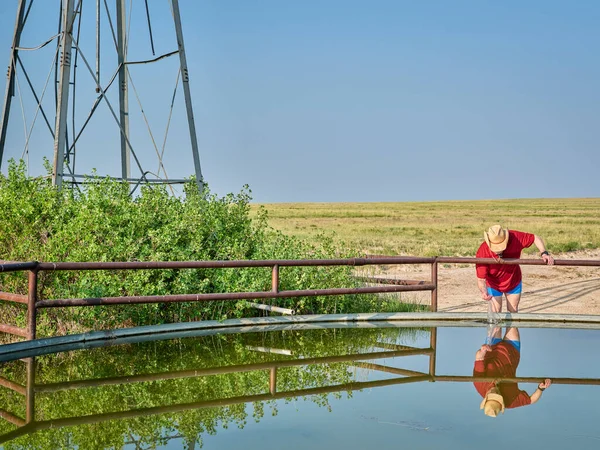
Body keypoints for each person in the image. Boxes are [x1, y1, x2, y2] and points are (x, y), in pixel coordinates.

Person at [474, 326, 552, 417]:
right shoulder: (511, 401)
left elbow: (479, 358)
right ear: (502, 401)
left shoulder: (479, 384)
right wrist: (541, 388)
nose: (495, 393)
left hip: (492, 347)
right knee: (512, 318)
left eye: (492, 395)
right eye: (498, 396)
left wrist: (483, 350)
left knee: (495, 316)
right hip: (511, 351)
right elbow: (531, 400)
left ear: (486, 398)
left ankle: (495, 318)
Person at [476, 225, 555, 313]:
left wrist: (544, 253)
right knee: (495, 313)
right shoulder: (482, 251)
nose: (498, 250)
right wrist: (483, 291)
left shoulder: (515, 237)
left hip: (513, 280)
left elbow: (535, 238)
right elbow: (481, 279)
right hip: (493, 284)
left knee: (513, 311)